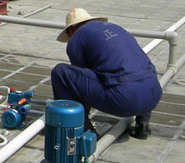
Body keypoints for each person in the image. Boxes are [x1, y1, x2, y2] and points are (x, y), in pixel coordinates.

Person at [51, 8, 162, 139]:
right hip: (153, 94)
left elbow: (79, 83)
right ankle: (142, 125)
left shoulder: (76, 38)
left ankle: (86, 133)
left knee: (60, 73)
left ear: (71, 29)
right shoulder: (116, 28)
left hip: (124, 99)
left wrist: (82, 110)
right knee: (137, 69)